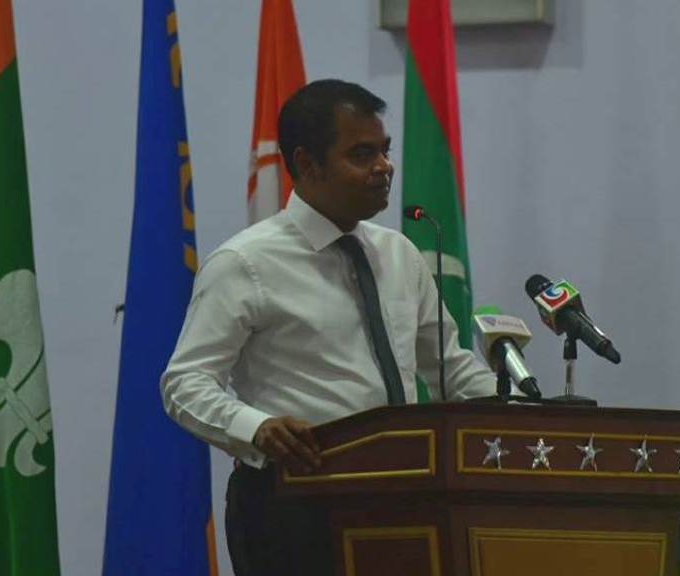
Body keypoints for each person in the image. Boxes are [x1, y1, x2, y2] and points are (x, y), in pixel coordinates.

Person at [160, 79, 496, 575]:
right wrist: (256, 428)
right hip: (296, 503)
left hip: (406, 496)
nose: (384, 166)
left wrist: (519, 416)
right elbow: (184, 383)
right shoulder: (245, 263)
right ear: (307, 163)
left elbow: (450, 368)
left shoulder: (399, 254)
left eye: (384, 150)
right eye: (361, 154)